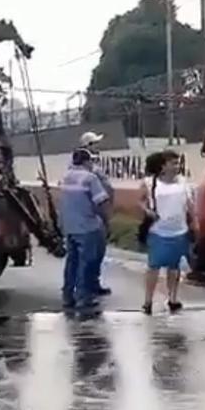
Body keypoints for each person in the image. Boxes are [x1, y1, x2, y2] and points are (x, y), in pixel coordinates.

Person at [138, 149, 195, 315]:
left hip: (179, 231)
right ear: (163, 166)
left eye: (178, 163)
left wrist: (195, 222)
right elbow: (140, 201)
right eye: (173, 163)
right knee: (153, 267)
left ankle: (173, 298)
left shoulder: (183, 183)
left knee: (174, 267)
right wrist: (147, 211)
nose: (177, 166)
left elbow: (190, 205)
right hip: (158, 232)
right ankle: (148, 301)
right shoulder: (150, 183)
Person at [59, 148, 111, 311]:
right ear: (87, 162)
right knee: (86, 262)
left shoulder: (66, 177)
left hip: (70, 226)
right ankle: (83, 297)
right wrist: (106, 220)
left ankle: (68, 296)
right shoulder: (90, 178)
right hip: (88, 226)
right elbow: (100, 202)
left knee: (72, 262)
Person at [79, 131, 114, 297]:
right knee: (91, 253)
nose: (99, 148)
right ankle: (86, 286)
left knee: (98, 253)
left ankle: (92, 283)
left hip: (99, 214)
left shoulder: (94, 168)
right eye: (95, 144)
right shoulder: (87, 171)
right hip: (94, 216)